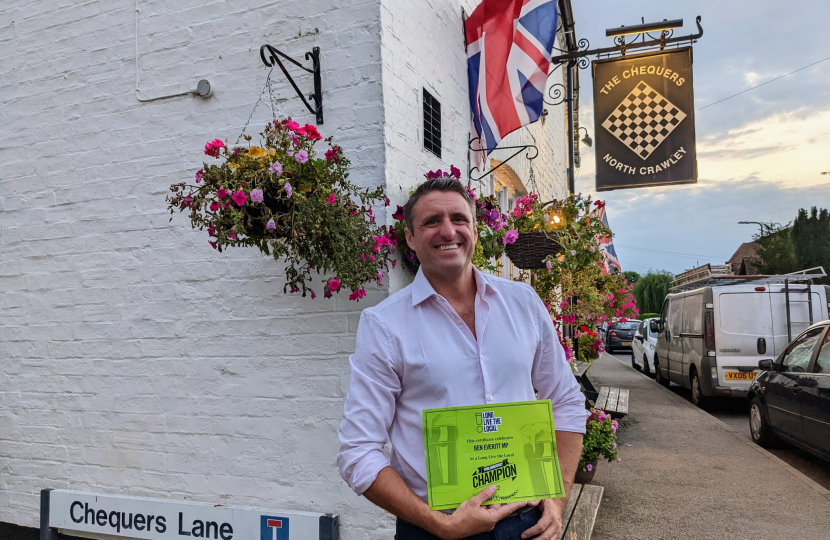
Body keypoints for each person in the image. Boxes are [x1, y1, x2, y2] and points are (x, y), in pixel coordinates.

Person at [337, 177, 588, 540]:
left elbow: (565, 400)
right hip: (434, 527)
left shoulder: (524, 303)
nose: (447, 230)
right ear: (410, 237)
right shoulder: (385, 325)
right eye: (431, 221)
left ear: (473, 229)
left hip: (526, 521)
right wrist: (441, 525)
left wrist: (558, 496)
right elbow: (358, 451)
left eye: (458, 218)